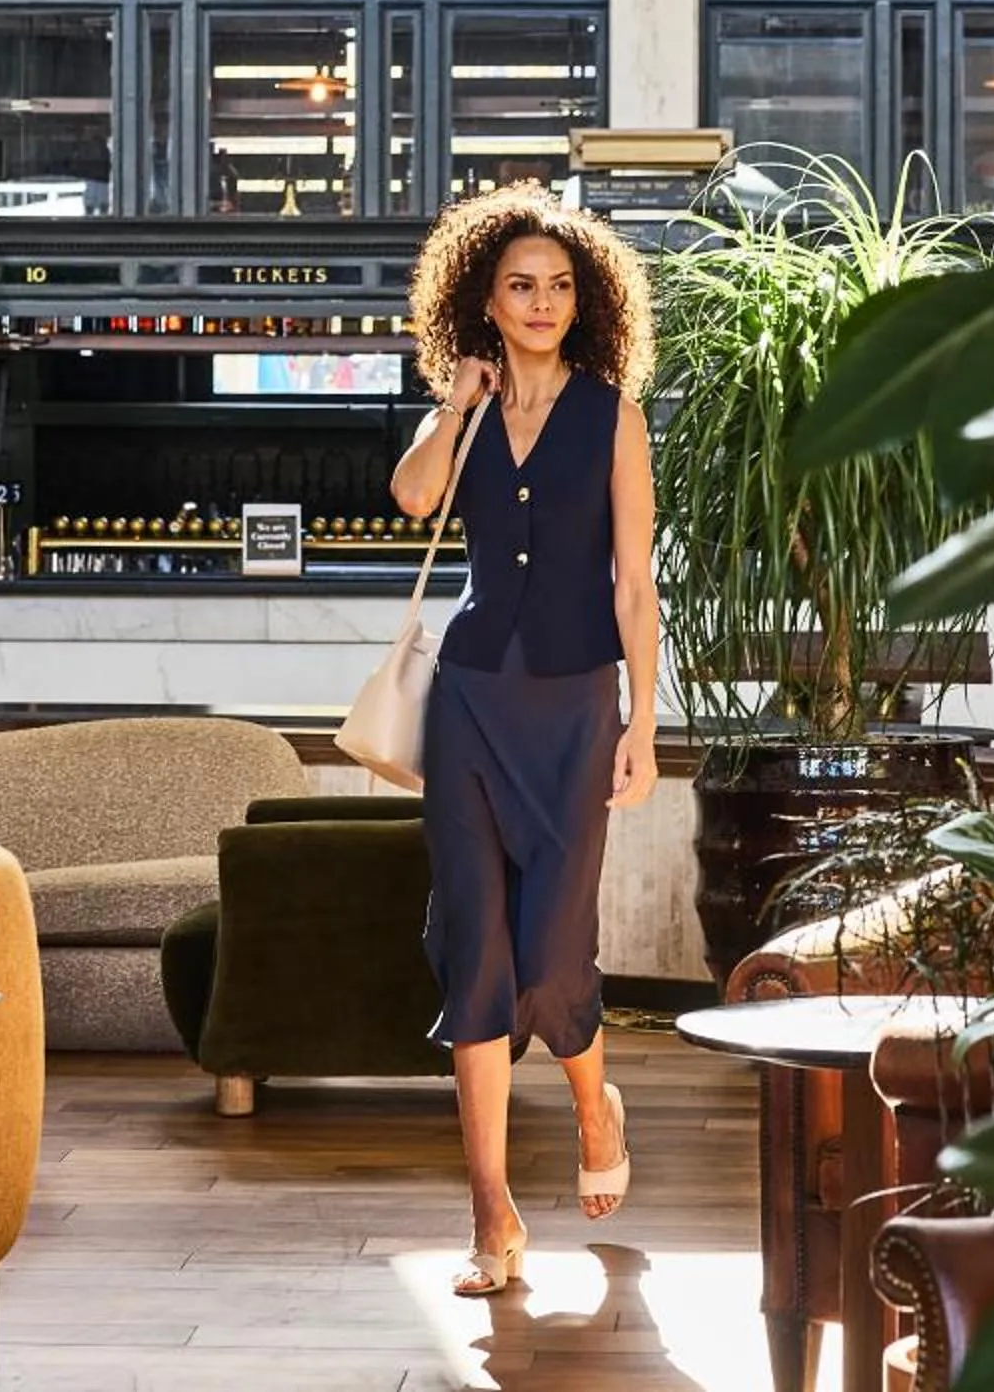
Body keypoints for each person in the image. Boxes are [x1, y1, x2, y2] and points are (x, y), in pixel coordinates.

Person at [387, 183, 661, 1299]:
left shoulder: (616, 415)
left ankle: (596, 1101)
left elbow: (634, 582)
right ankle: (491, 1214)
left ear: (582, 300)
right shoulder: (466, 406)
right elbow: (410, 501)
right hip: (469, 697)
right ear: (483, 302)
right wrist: (454, 404)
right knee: (478, 954)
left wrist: (647, 720)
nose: (541, 301)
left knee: (554, 954)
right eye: (520, 286)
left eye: (558, 285)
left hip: (576, 701)